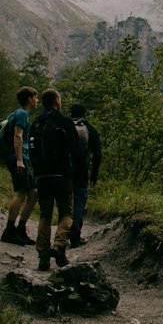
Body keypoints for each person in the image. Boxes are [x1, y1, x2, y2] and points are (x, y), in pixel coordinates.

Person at [29, 87, 85, 271]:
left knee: (45, 215)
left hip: (42, 176)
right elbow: (76, 151)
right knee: (66, 213)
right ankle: (60, 246)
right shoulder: (64, 122)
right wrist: (78, 173)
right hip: (62, 175)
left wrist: (36, 172)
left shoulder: (35, 123)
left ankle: (43, 257)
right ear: (57, 101)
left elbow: (31, 150)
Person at [0, 86, 39, 245]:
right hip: (19, 157)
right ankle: (9, 230)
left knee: (33, 194)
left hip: (21, 156)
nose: (37, 101)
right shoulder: (22, 114)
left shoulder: (18, 114)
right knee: (20, 192)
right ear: (29, 98)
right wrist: (20, 159)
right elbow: (18, 135)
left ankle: (20, 229)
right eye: (35, 97)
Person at [68, 104, 103, 246]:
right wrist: (94, 175)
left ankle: (61, 234)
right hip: (81, 172)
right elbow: (97, 155)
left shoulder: (65, 127)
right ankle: (75, 236)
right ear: (85, 114)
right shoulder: (90, 130)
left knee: (65, 203)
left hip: (63, 171)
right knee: (79, 202)